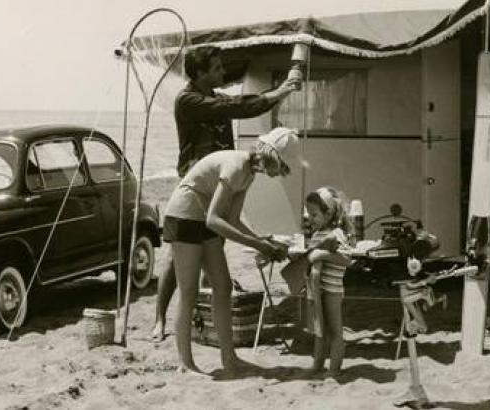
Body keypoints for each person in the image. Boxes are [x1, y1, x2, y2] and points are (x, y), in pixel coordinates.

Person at [150, 45, 300, 341]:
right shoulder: (189, 100)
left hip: (223, 175)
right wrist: (280, 91)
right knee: (176, 255)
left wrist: (280, 93)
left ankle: (200, 311)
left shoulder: (216, 97)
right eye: (217, 68)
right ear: (200, 73)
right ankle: (160, 319)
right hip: (195, 180)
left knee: (212, 243)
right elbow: (239, 107)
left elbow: (245, 104)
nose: (222, 72)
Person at [162, 127, 299, 375]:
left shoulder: (249, 174)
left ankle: (229, 358)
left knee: (223, 287)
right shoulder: (236, 166)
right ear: (270, 156)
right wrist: (258, 245)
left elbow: (233, 219)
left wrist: (261, 240)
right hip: (184, 217)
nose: (278, 173)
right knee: (189, 291)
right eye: (280, 166)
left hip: (202, 218)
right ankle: (186, 364)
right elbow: (215, 220)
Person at [282, 187, 353, 377]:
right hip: (317, 289)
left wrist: (323, 254)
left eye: (314, 214)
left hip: (332, 290)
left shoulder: (337, 233)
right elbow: (309, 257)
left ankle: (334, 370)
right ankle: (317, 365)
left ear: (328, 213)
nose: (310, 218)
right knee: (319, 330)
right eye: (308, 214)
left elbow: (347, 259)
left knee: (335, 331)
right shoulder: (317, 234)